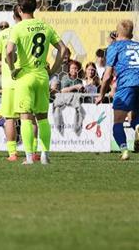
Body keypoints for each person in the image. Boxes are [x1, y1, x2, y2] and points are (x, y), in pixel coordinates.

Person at [6, 0, 67, 165]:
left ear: (19, 9)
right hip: (42, 76)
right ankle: (45, 155)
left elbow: (9, 52)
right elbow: (63, 50)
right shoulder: (45, 26)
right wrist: (53, 71)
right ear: (36, 8)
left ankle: (28, 158)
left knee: (25, 118)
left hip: (25, 76)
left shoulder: (17, 28)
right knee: (42, 118)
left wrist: (12, 69)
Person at [96, 19, 139, 161]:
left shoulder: (115, 47)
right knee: (134, 117)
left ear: (117, 33)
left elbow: (107, 75)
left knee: (118, 122)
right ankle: (137, 125)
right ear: (131, 34)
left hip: (126, 84)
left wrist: (101, 94)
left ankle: (124, 150)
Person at [0, 5, 24, 161]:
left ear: (14, 16)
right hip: (26, 80)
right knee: (29, 117)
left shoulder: (4, 35)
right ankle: (34, 153)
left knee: (9, 118)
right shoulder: (29, 31)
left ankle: (13, 153)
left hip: (9, 82)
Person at [52, 60, 86, 136]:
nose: (75, 70)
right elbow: (63, 90)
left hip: (75, 101)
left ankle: (76, 130)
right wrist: (75, 87)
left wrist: (82, 90)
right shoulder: (65, 78)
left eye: (76, 68)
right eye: (73, 68)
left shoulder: (79, 80)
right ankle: (59, 130)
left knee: (80, 111)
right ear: (69, 70)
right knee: (57, 110)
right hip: (64, 100)